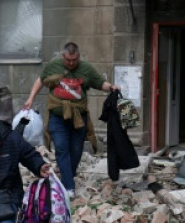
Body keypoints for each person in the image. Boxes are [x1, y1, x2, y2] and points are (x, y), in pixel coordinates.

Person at [23, 42, 118, 195]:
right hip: (57, 117)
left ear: (78, 57)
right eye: (68, 60)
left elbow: (100, 83)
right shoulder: (53, 66)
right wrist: (30, 98)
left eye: (75, 60)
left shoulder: (86, 69)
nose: (71, 63)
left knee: (76, 150)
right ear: (63, 56)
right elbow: (41, 80)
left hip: (78, 118)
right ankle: (69, 187)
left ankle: (67, 176)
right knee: (61, 148)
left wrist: (112, 87)